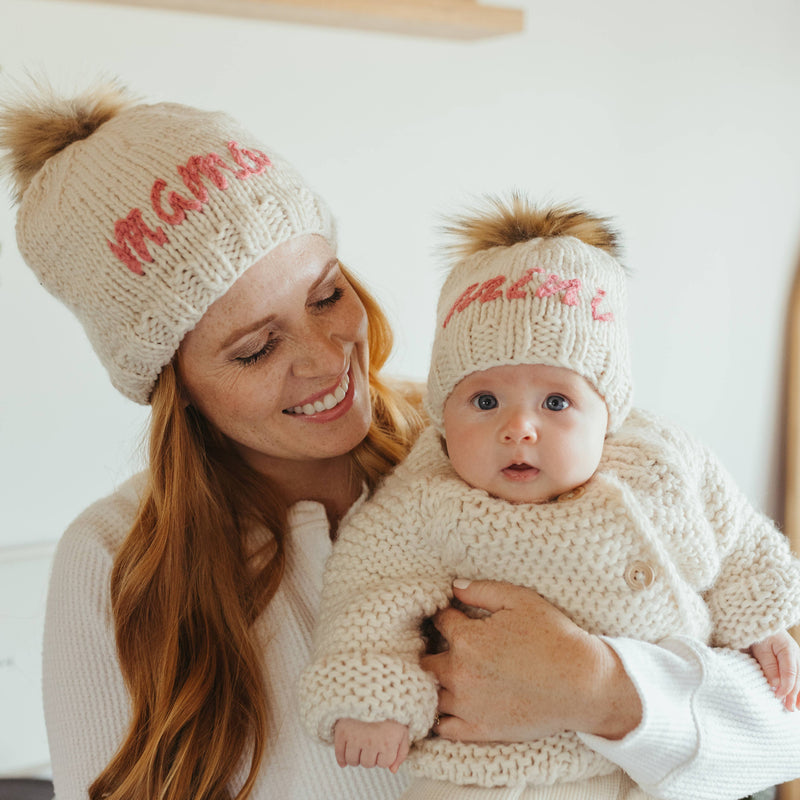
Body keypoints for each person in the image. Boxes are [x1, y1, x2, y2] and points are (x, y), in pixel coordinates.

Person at [1, 81, 799, 800]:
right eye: (255, 348)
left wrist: (602, 690)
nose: (324, 359)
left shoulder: (491, 443)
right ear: (172, 386)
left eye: (327, 294)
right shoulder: (115, 559)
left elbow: (782, 735)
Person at [299, 196, 800, 800]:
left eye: (556, 403)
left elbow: (740, 540)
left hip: (647, 769)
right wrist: (373, 693)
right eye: (484, 402)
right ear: (442, 417)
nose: (519, 429)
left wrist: (762, 626)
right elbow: (367, 593)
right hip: (492, 776)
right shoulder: (425, 498)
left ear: (609, 411)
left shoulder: (665, 461)